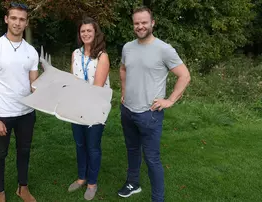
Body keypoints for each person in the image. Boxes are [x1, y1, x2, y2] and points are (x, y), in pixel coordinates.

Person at [117, 6, 191, 202]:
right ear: (133, 25)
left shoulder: (164, 49)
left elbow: (184, 75)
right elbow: (123, 69)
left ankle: (158, 198)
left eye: (144, 22)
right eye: (136, 23)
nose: (140, 26)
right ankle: (133, 183)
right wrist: (124, 92)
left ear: (152, 23)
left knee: (152, 159)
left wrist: (170, 100)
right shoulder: (128, 47)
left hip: (149, 114)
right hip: (127, 111)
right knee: (132, 151)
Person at [0, 2, 39, 202]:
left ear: (26, 22)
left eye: (22, 19)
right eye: (13, 18)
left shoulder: (31, 51)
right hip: (2, 114)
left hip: (26, 113)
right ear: (6, 19)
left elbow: (34, 84)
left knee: (24, 151)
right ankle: (0, 192)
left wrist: (51, 88)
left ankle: (23, 188)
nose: (17, 23)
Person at [68, 17, 110, 201]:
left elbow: (97, 87)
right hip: (76, 107)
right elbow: (72, 80)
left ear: (95, 33)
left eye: (89, 31)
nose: (85, 34)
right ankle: (81, 177)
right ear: (80, 34)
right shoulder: (75, 54)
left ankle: (92, 183)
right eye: (82, 31)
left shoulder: (102, 56)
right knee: (79, 144)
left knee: (92, 147)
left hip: (95, 108)